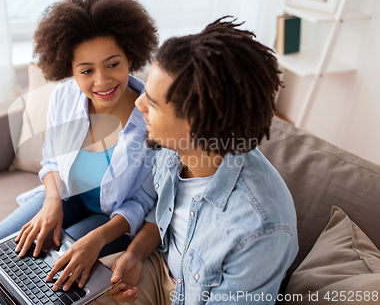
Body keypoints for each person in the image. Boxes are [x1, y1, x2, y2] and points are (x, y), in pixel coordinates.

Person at [0, 0, 159, 305]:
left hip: (113, 219)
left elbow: (143, 203)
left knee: (55, 268)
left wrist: (97, 239)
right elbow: (51, 160)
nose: (102, 81)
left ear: (131, 57)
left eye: (113, 64)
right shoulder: (65, 97)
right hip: (65, 195)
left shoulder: (154, 121)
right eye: (86, 71)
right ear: (70, 70)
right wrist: (52, 202)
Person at [97, 17, 299, 305]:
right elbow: (165, 211)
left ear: (197, 125)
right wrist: (135, 254)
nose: (139, 104)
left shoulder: (259, 229)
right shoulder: (171, 147)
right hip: (157, 271)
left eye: (152, 103)